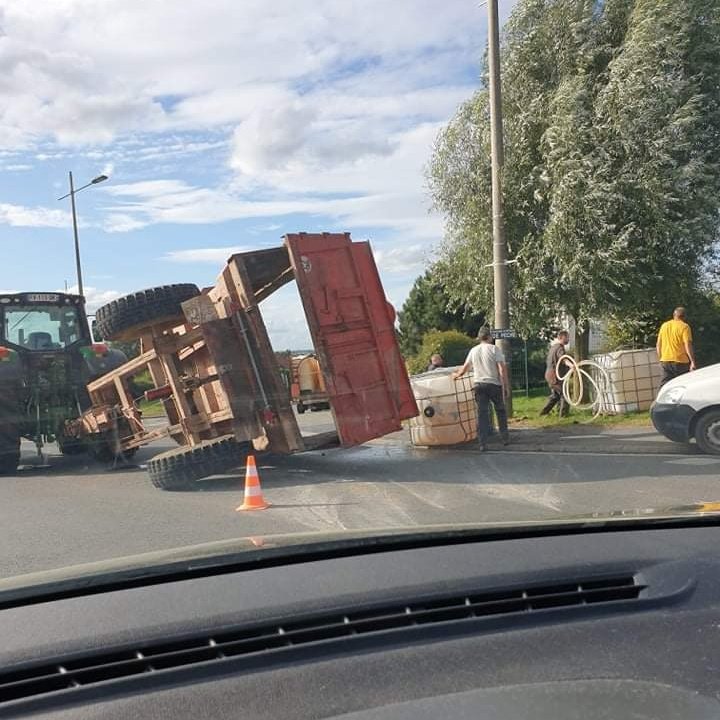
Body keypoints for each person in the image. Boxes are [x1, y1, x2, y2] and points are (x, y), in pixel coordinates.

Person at [452, 327, 509, 452]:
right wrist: (505, 385)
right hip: (494, 384)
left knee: (482, 414)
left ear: (479, 338)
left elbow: (465, 368)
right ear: (489, 337)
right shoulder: (494, 349)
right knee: (500, 410)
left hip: (479, 385)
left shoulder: (473, 350)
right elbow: (501, 369)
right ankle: (504, 438)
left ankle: (482, 443)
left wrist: (456, 376)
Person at [656, 307, 696, 387]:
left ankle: (659, 399)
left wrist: (660, 359)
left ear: (674, 315)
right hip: (680, 362)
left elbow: (658, 344)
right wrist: (692, 361)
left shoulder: (664, 326)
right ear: (684, 317)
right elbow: (687, 344)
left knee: (664, 386)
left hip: (665, 361)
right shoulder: (684, 327)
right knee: (682, 385)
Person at [540, 330, 571, 417]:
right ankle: (563, 415)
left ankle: (543, 413)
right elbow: (563, 359)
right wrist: (572, 365)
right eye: (567, 337)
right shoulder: (560, 348)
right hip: (555, 376)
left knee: (556, 395)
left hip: (549, 374)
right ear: (562, 337)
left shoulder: (553, 347)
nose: (568, 339)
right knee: (565, 394)